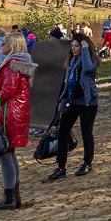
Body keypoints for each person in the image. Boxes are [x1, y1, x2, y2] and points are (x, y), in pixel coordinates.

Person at [0, 31, 35, 211]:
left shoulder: (12, 64)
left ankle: (9, 197)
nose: (0, 45)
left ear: (11, 45)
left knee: (5, 154)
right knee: (9, 153)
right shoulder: (21, 63)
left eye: (4, 42)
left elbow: (7, 92)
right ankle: (15, 196)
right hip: (16, 112)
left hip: (8, 114)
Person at [47, 34, 100, 179]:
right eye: (72, 46)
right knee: (63, 133)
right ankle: (61, 168)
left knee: (86, 133)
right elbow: (67, 84)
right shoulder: (72, 62)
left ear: (84, 46)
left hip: (88, 102)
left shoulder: (93, 60)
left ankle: (87, 164)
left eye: (76, 46)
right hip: (72, 102)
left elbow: (88, 69)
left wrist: (84, 50)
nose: (73, 49)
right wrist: (61, 101)